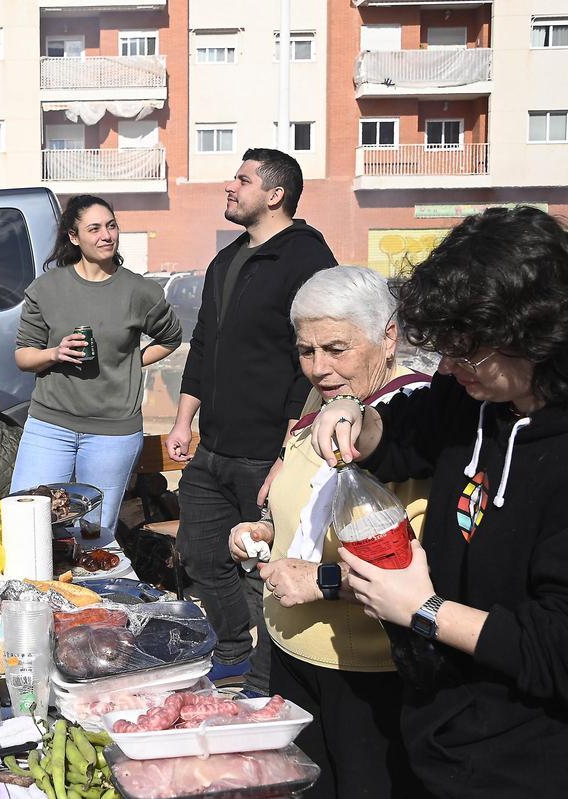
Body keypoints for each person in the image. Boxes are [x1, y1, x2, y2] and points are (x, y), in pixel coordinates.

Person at [309, 206, 568, 798]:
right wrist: (354, 415)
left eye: (466, 352)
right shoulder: (475, 400)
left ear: (536, 333)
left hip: (525, 763)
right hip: (439, 734)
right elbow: (403, 434)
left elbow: (555, 649)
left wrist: (422, 610)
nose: (447, 368)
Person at [227, 266, 428, 798]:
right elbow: (301, 501)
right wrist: (265, 529)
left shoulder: (416, 421)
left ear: (388, 336)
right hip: (294, 653)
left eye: (336, 348)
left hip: (368, 671)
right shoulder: (323, 403)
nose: (319, 368)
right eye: (306, 350)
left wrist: (323, 582)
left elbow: (425, 564)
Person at [165, 148, 336, 694]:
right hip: (213, 446)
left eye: (242, 179)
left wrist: (291, 447)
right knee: (200, 554)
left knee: (268, 568)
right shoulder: (228, 259)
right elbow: (205, 345)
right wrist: (182, 420)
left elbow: (309, 365)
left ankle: (267, 683)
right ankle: (234, 647)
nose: (229, 187)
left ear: (275, 193)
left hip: (269, 448)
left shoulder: (309, 261)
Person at [10, 195, 182, 539]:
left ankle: (89, 592)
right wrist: (55, 353)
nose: (107, 235)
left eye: (111, 225)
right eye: (95, 228)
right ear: (74, 237)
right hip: (49, 427)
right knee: (26, 525)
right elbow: (23, 356)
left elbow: (171, 337)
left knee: (93, 532)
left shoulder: (139, 290)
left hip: (113, 433)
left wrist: (130, 362)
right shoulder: (47, 288)